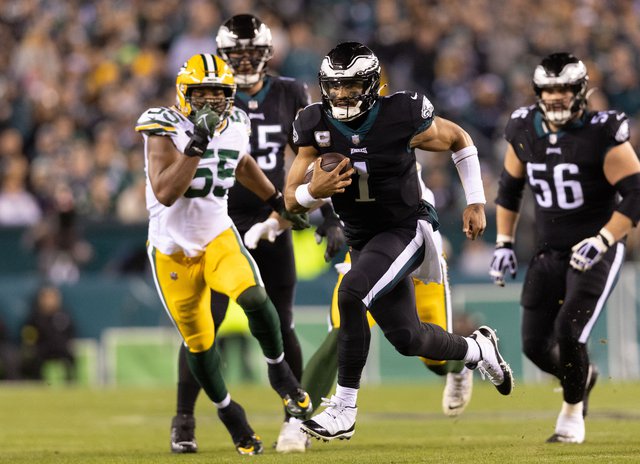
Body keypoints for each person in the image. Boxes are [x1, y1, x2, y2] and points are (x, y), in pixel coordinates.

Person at [284, 41, 514, 442]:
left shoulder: (401, 113)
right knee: (408, 339)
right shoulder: (313, 124)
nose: (341, 95)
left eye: (351, 85)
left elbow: (459, 138)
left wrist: (476, 200)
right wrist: (312, 191)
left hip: (407, 227)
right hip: (363, 238)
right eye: (334, 86)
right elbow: (290, 198)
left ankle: (344, 407)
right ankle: (479, 350)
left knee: (352, 294)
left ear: (372, 84)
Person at [168, 14, 344, 455]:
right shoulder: (205, 97)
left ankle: (295, 421)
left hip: (273, 220)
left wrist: (330, 216)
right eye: (237, 55)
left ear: (267, 55)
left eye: (252, 53)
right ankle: (184, 419)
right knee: (201, 327)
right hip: (217, 223)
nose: (245, 61)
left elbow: (313, 157)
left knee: (280, 322)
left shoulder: (288, 92)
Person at [135, 52, 312, 456]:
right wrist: (196, 142)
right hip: (173, 251)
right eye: (203, 95)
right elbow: (165, 191)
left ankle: (279, 371)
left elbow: (242, 163)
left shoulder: (236, 122)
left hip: (217, 234)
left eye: (219, 95)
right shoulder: (163, 126)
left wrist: (275, 202)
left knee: (255, 297)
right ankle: (226, 412)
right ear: (185, 94)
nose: (212, 103)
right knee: (200, 344)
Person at [488, 52, 640, 444]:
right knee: (532, 345)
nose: (556, 96)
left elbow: (636, 197)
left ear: (581, 91)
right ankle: (584, 377)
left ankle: (572, 414)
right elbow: (510, 190)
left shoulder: (601, 131)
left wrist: (604, 239)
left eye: (563, 89)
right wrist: (504, 242)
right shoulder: (524, 128)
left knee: (569, 331)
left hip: (597, 246)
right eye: (548, 89)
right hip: (549, 249)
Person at [301, 165, 475, 418]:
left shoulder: (394, 137)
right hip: (366, 252)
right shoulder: (333, 141)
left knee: (433, 358)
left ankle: (460, 364)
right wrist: (325, 212)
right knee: (340, 334)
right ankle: (296, 422)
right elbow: (301, 188)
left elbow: (453, 140)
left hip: (416, 254)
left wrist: (476, 199)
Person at [21, 284, 76, 382]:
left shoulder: (64, 315)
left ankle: (71, 382)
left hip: (60, 348)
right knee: (34, 358)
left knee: (70, 357)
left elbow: (71, 332)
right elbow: (28, 334)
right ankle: (37, 382)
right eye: (46, 298)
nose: (49, 301)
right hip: (42, 349)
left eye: (52, 297)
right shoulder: (35, 317)